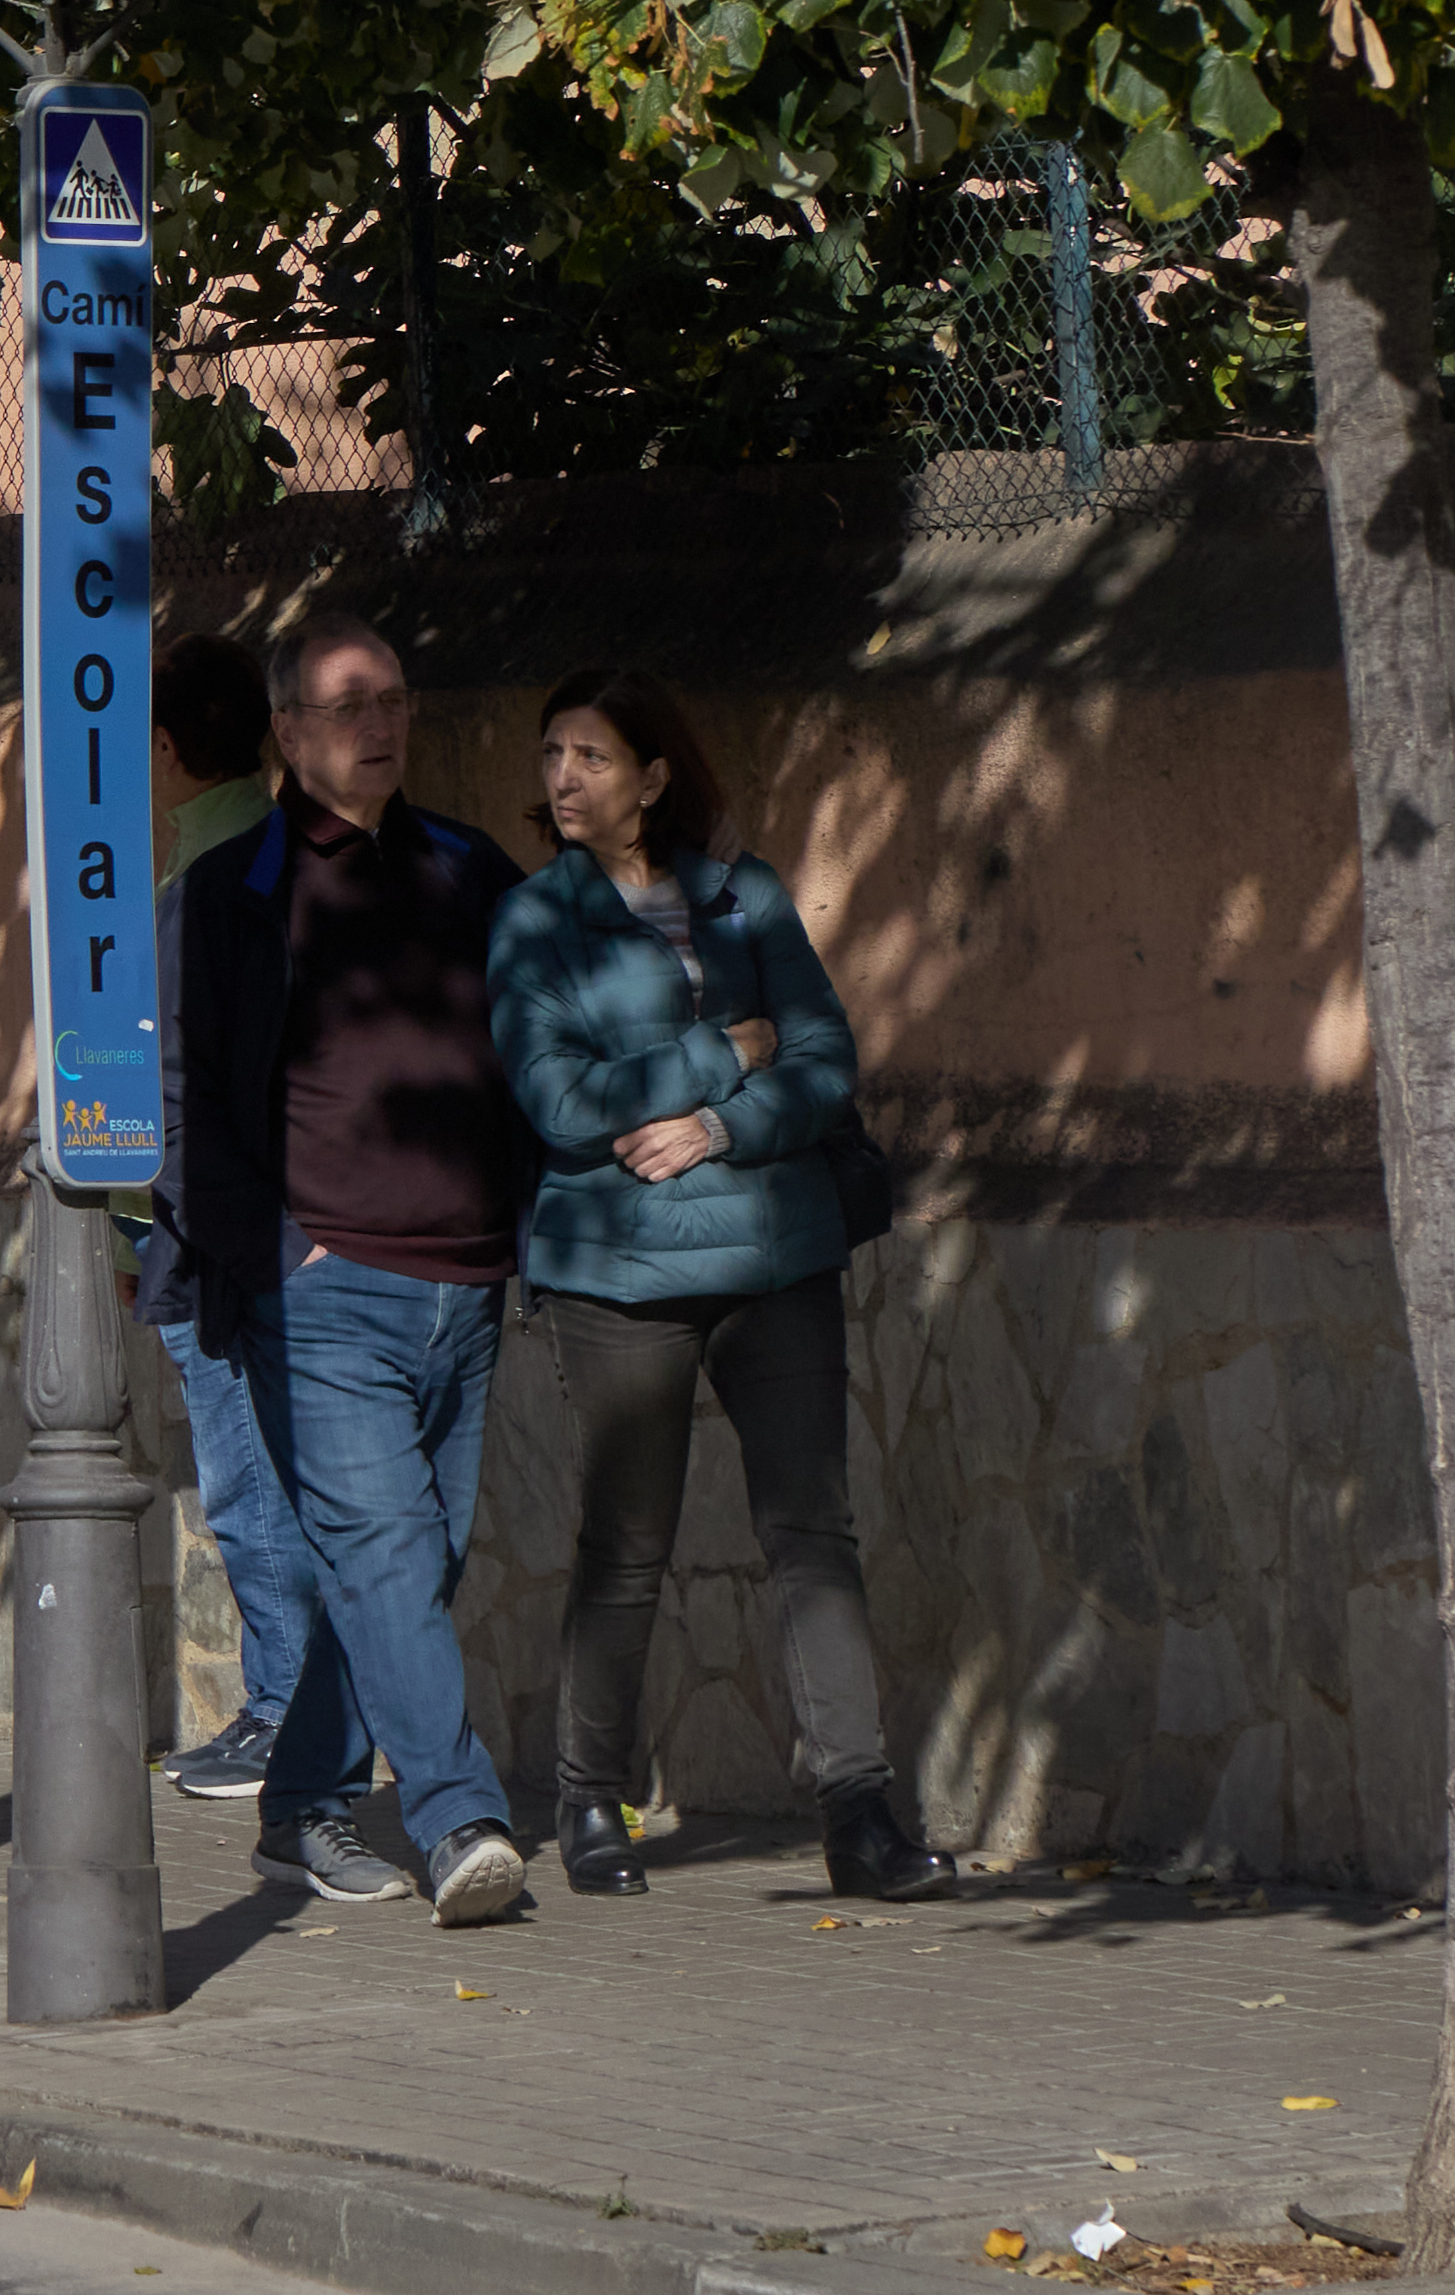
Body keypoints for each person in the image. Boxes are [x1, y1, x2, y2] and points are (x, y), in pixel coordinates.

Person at [490, 669, 949, 1904]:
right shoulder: (535, 922)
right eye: (551, 756)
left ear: (653, 778)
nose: (562, 778)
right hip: (617, 1275)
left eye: (589, 755)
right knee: (625, 1547)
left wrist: (716, 1130)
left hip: (772, 1252)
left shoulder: (746, 901)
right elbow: (558, 1104)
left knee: (811, 1534)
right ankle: (591, 1801)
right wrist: (714, 1056)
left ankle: (858, 1811)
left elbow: (824, 1058)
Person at [169, 612, 537, 1929]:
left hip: (466, 1275)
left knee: (409, 1560)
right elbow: (186, 1095)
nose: (375, 724)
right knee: (382, 1547)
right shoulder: (231, 892)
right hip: (322, 1290)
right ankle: (459, 1817)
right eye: (342, 707)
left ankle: (299, 1800)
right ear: (286, 731)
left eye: (389, 697)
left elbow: (541, 1031)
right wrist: (272, 1246)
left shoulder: (467, 866)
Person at [133, 633, 317, 1802]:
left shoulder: (194, 885)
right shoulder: (305, 856)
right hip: (310, 1221)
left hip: (222, 1234)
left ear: (160, 750)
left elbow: (164, 1095)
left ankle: (283, 1711)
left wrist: (133, 1236)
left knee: (247, 1484)